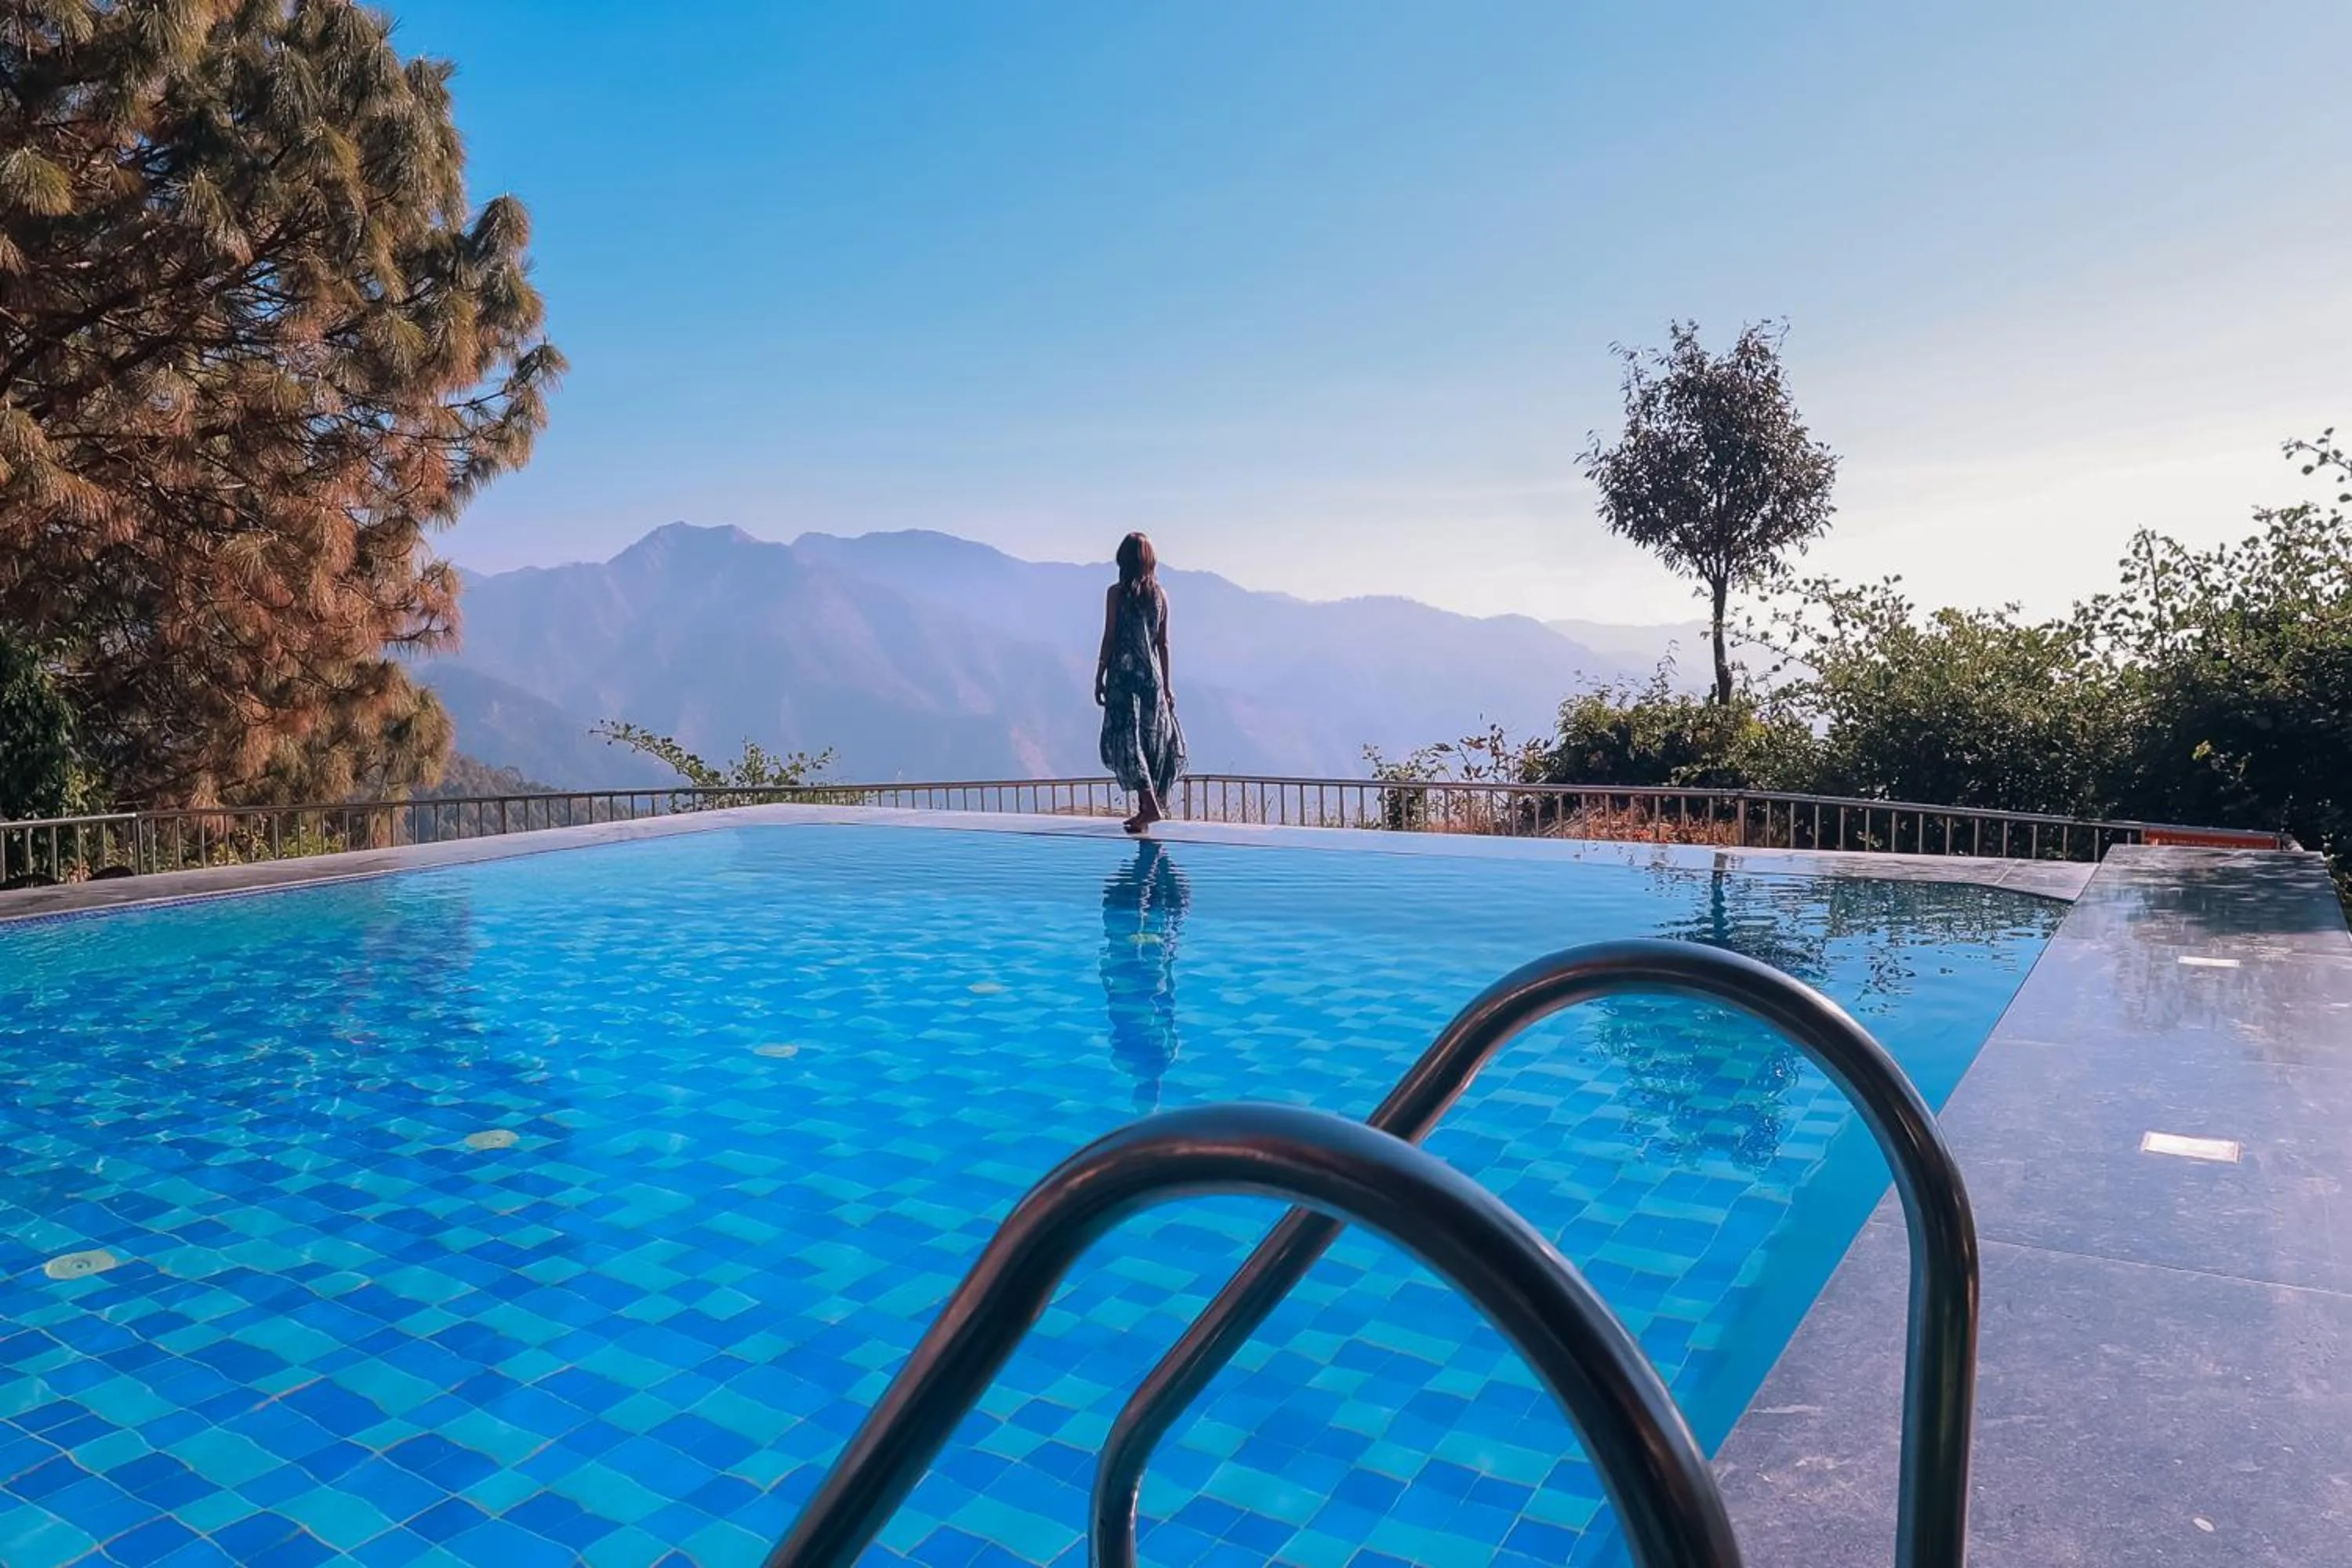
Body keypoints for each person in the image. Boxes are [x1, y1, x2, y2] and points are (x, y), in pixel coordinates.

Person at [1095, 532, 1186, 834]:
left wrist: (1099, 674)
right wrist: (1167, 686)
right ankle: (1145, 811)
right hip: (1152, 680)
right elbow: (1164, 644)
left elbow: (1109, 637)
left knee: (1125, 742)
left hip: (1124, 680)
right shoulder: (1161, 595)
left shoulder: (1116, 594)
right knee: (1149, 744)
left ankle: (1150, 807)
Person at [1098, 838, 1189, 1112]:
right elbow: (1116, 1015)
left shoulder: (1167, 1055)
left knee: (1150, 931)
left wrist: (1170, 965)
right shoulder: (1123, 1062)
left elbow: (1167, 1008)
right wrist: (1107, 977)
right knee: (1133, 935)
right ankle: (1152, 861)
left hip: (1149, 987)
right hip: (1131, 988)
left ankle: (1151, 862)